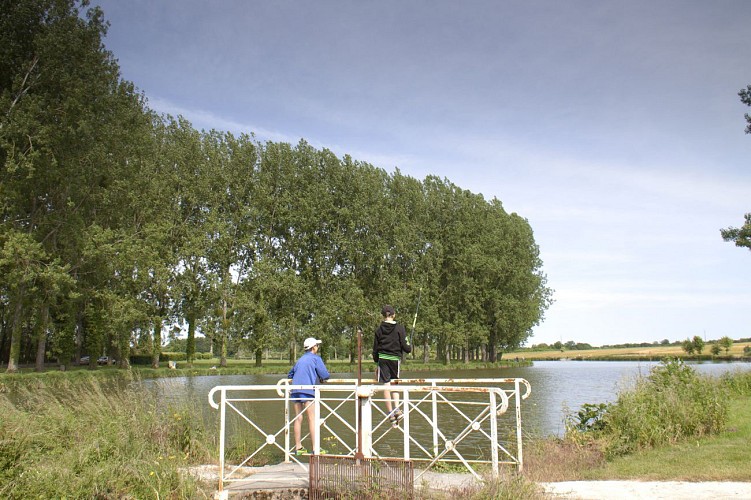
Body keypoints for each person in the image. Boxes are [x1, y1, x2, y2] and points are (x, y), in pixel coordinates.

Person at [287, 337, 330, 455]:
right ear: (313, 347)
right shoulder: (316, 358)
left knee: (298, 418)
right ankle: (316, 448)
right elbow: (325, 375)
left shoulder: (300, 360)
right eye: (317, 345)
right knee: (312, 418)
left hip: (295, 391)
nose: (318, 347)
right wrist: (319, 377)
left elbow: (290, 374)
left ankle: (298, 447)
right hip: (308, 391)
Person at [372, 304, 412, 425]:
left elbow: (375, 349)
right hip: (395, 359)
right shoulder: (400, 328)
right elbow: (407, 348)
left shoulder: (379, 330)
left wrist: (376, 362)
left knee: (386, 384)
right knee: (395, 383)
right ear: (393, 315)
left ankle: (390, 413)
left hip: (383, 358)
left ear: (383, 316)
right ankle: (397, 409)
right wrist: (409, 345)